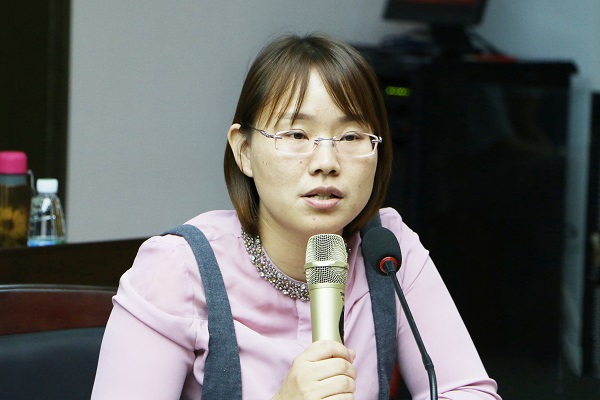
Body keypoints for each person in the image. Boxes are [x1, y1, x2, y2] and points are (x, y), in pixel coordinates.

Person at [91, 33, 501, 399]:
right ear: (244, 151)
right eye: (297, 135)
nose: (326, 162)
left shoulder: (387, 250)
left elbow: (467, 391)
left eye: (351, 136)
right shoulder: (179, 269)